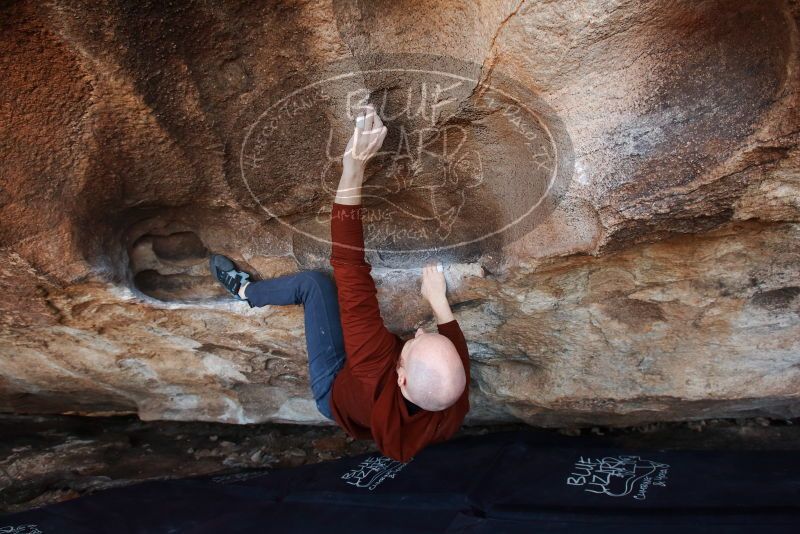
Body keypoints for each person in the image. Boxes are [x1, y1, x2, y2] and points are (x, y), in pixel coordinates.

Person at [210, 104, 470, 462]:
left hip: (335, 388)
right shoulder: (450, 402)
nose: (421, 333)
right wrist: (439, 302)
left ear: (402, 379)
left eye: (411, 347)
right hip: (370, 400)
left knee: (314, 285)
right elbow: (454, 359)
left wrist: (353, 168)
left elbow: (350, 268)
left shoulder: (373, 369)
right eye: (434, 339)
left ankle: (246, 291)